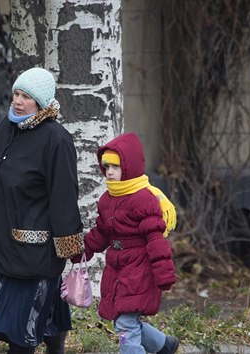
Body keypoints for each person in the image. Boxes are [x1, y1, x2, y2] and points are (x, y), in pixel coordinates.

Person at [0, 67, 84, 354]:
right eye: (16, 93)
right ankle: (55, 343)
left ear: (41, 102)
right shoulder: (3, 126)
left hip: (32, 251)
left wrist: (70, 244)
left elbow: (63, 196)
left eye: (26, 96)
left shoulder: (56, 139)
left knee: (17, 330)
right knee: (32, 313)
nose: (18, 101)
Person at [69, 132, 179, 354]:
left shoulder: (143, 199)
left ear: (129, 168)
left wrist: (164, 272)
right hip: (118, 267)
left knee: (125, 323)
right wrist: (83, 250)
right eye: (106, 166)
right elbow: (102, 232)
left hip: (139, 268)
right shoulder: (107, 199)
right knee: (122, 317)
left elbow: (155, 238)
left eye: (115, 167)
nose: (109, 171)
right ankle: (164, 345)